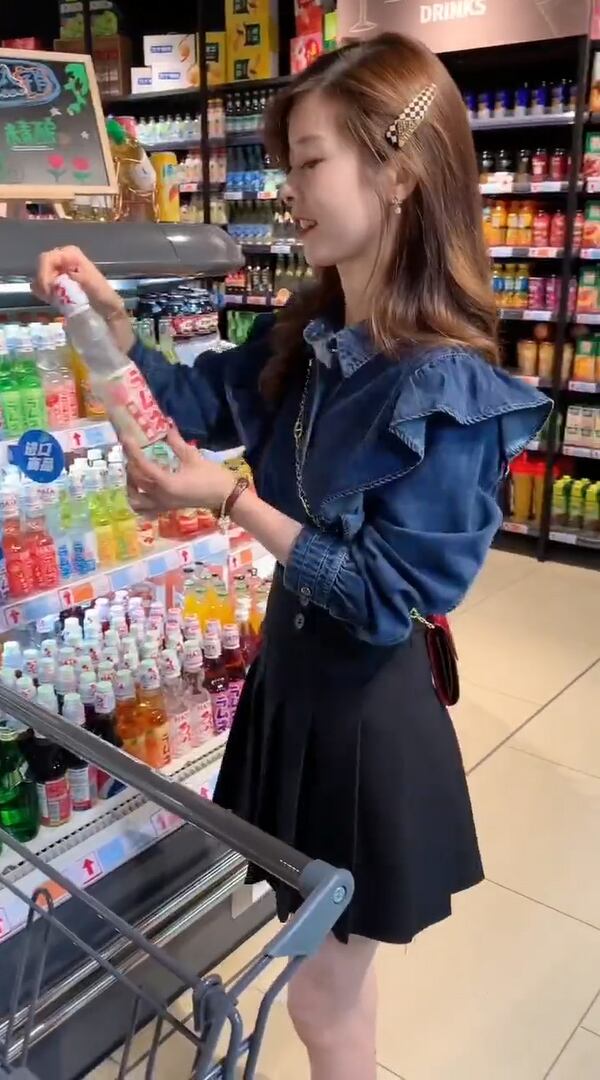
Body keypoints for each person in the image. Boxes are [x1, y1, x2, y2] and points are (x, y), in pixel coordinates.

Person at [35, 33, 551, 1080]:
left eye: (310, 161)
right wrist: (103, 324)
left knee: (324, 996)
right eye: (286, 164)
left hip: (363, 723)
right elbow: (188, 407)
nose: (289, 190)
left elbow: (386, 598)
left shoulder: (446, 390)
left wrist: (231, 500)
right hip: (293, 691)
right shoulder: (308, 339)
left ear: (397, 174)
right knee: (322, 971)